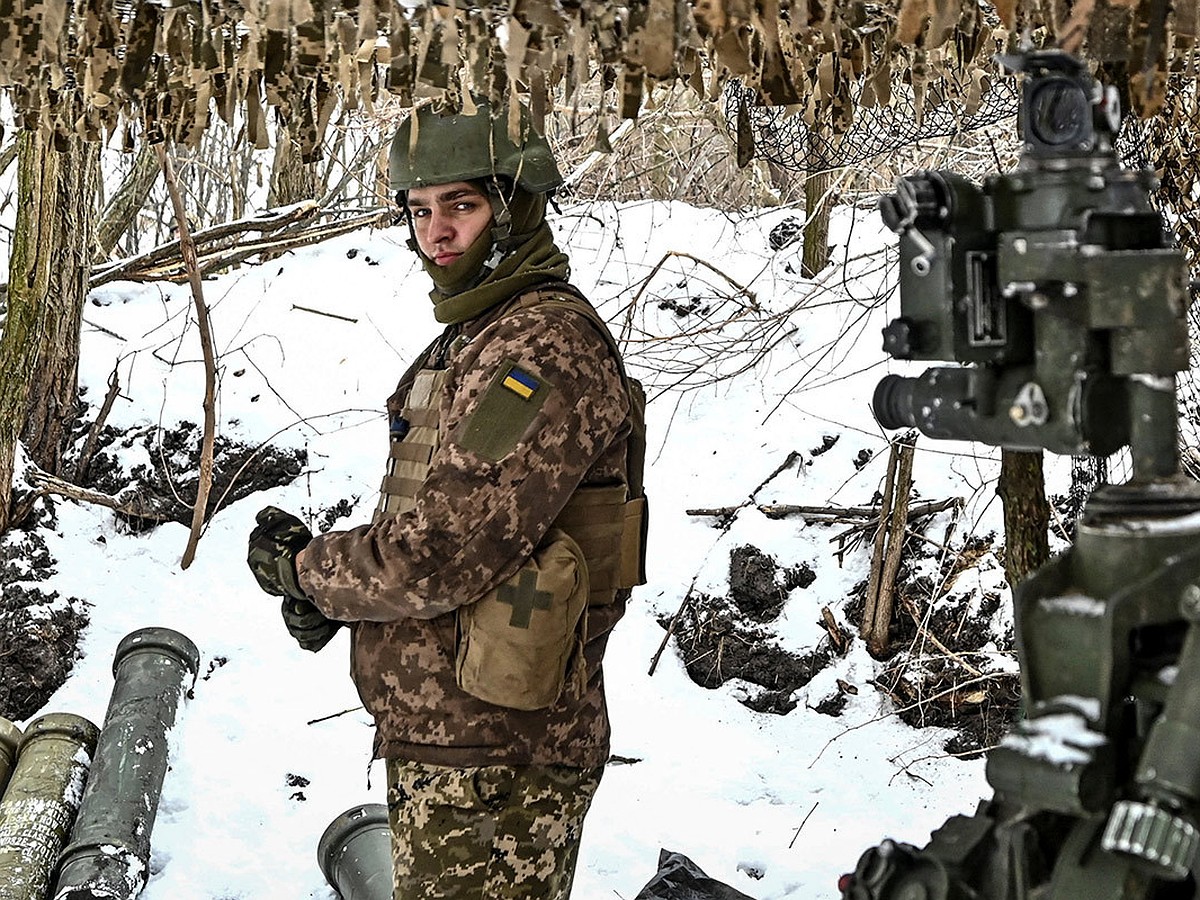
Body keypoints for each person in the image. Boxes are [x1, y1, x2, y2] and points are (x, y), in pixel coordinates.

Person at [247, 97, 647, 900]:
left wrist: (308, 571)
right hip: (458, 741)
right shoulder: (479, 337)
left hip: (498, 756)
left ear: (517, 204)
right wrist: (344, 602)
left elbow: (442, 551)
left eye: (461, 205)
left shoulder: (540, 349)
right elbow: (446, 526)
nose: (437, 231)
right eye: (421, 209)